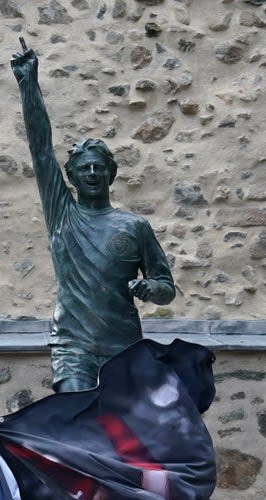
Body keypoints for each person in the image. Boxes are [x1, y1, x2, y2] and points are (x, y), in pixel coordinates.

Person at [11, 42, 176, 393]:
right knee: (78, 418)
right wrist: (28, 85)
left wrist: (150, 289)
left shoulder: (134, 226)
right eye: (83, 168)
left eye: (98, 167)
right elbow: (40, 149)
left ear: (110, 174)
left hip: (124, 345)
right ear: (71, 176)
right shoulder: (62, 215)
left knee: (124, 434)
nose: (91, 173)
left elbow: (166, 287)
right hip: (73, 346)